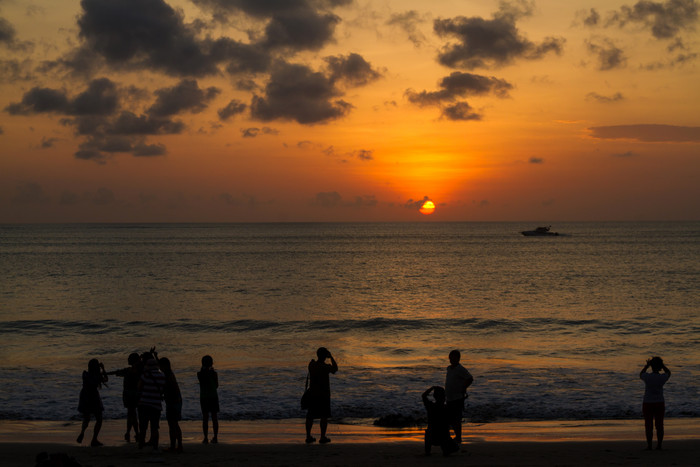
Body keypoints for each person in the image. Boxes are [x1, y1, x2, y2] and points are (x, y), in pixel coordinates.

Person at [106, 352, 142, 442]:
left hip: (129, 395)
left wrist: (104, 373)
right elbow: (116, 372)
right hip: (134, 395)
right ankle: (132, 433)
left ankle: (132, 433)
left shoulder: (130, 371)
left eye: (129, 358)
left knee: (131, 414)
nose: (128, 360)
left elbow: (116, 372)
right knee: (132, 414)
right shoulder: (140, 371)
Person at [305, 347, 338, 444]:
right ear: (325, 356)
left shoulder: (311, 365)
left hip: (312, 393)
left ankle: (308, 436)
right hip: (323, 394)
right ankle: (322, 437)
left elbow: (312, 365)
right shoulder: (325, 367)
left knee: (310, 416)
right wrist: (331, 357)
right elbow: (335, 369)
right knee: (324, 416)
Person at [640, 356, 671, 450]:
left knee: (648, 425)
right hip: (659, 402)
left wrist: (646, 366)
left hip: (648, 402)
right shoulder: (662, 378)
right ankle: (659, 445)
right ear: (660, 367)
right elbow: (668, 373)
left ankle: (649, 446)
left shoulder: (647, 377)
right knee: (659, 425)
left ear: (652, 366)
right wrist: (663, 365)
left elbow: (641, 374)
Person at [76, 358, 108, 447]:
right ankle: (94, 439)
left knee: (86, 418)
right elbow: (106, 379)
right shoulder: (97, 376)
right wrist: (103, 369)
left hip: (85, 396)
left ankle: (82, 432)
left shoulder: (85, 374)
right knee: (99, 418)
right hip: (93, 397)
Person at [444, 350, 473, 445]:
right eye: (450, 357)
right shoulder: (449, 368)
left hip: (457, 398)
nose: (451, 359)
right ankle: (452, 437)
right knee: (450, 419)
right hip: (449, 398)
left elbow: (470, 378)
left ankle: (458, 437)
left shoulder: (460, 369)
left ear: (458, 358)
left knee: (456, 419)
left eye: (454, 357)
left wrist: (463, 388)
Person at [137, 356, 166, 451]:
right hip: (156, 405)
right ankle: (155, 447)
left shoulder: (145, 375)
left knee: (143, 427)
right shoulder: (162, 376)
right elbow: (163, 390)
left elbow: (139, 387)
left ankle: (141, 446)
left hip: (144, 404)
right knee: (154, 427)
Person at [422, 386, 458, 456]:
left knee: (429, 432)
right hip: (443, 438)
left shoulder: (430, 406)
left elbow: (423, 396)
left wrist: (431, 388)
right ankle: (446, 451)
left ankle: (428, 452)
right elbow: (452, 421)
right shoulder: (447, 408)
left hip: (432, 437)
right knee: (453, 445)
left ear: (435, 396)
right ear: (444, 397)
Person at [159, 357, 183, 453]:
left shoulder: (167, 375)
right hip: (176, 402)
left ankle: (174, 446)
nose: (159, 368)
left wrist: (162, 395)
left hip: (173, 403)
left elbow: (170, 389)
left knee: (172, 425)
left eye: (160, 366)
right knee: (174, 424)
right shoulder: (169, 373)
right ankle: (179, 445)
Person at [198, 355, 219, 444]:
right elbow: (217, 385)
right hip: (213, 396)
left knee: (205, 418)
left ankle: (205, 438)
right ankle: (215, 437)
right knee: (214, 418)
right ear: (211, 363)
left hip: (204, 397)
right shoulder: (214, 373)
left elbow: (202, 381)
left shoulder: (199, 374)